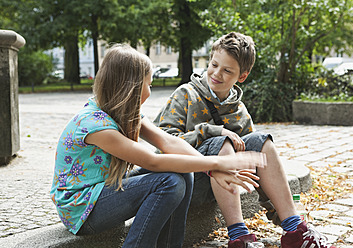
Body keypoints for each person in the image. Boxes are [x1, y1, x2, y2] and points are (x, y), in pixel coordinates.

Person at [50, 44, 267, 248]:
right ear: (132, 88)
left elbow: (167, 141)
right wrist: (222, 161)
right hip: (82, 209)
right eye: (149, 84)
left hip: (102, 191)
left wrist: (212, 169)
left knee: (183, 173)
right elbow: (152, 161)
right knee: (168, 182)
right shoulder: (96, 126)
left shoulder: (123, 112)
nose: (150, 90)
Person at [153, 32, 337, 248]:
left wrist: (274, 210)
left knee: (262, 141)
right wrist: (213, 132)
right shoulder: (185, 94)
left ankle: (293, 228)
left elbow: (256, 164)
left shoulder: (238, 109)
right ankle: (239, 237)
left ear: (242, 76)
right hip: (189, 182)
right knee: (222, 143)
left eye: (227, 70)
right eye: (214, 65)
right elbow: (162, 144)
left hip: (224, 185)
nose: (216, 73)